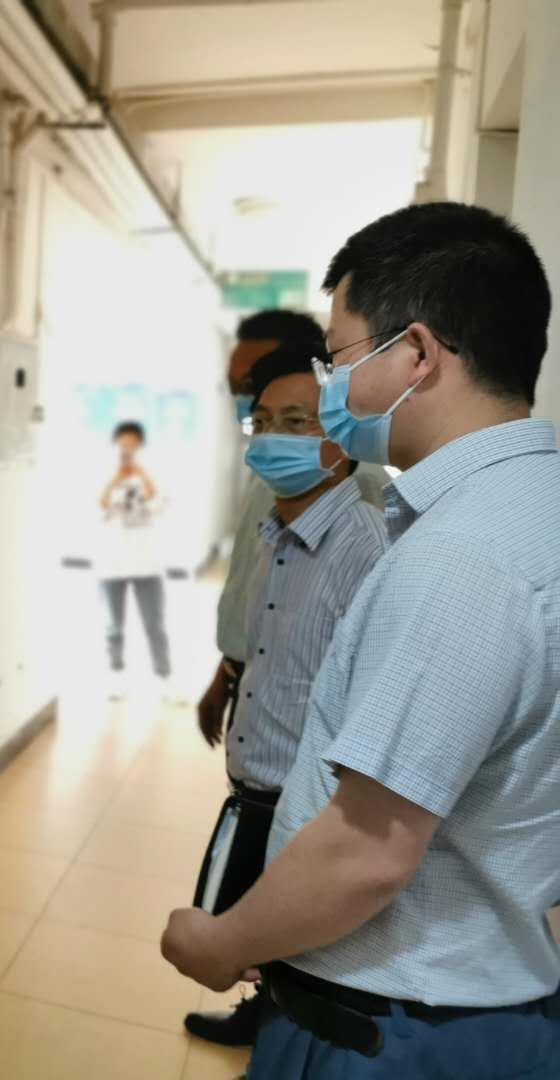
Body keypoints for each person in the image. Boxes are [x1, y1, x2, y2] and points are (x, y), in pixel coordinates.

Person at [162, 202, 560, 1078]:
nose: (329, 385)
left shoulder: (462, 555)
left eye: (337, 357)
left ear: (415, 354)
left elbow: (368, 852)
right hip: (480, 1000)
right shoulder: (533, 507)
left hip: (391, 1031)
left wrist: (222, 941)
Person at [187, 311, 390, 1049]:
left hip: (314, 803)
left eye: (294, 420)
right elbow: (267, 627)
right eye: (259, 416)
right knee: (262, 944)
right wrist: (228, 674)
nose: (268, 433)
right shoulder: (275, 522)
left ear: (339, 433)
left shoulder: (365, 540)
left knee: (303, 963)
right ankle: (267, 1015)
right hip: (261, 782)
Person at [95, 420, 174, 701]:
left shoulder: (153, 472)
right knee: (113, 625)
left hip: (147, 562)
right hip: (111, 562)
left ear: (141, 445)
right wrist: (114, 479)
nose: (127, 449)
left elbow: (160, 505)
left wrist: (142, 474)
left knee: (155, 624)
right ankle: (116, 675)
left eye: (132, 444)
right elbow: (99, 506)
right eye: (123, 444)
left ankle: (164, 678)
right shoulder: (104, 470)